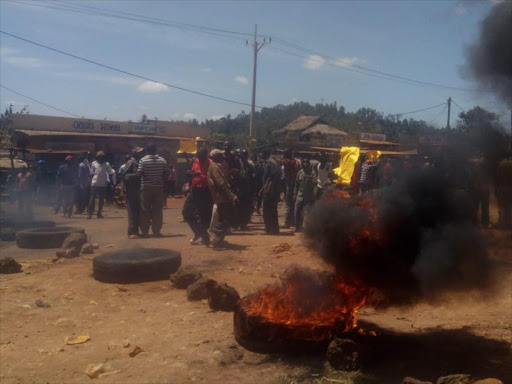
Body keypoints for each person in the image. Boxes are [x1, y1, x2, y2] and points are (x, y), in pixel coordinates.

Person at [183, 147, 213, 245]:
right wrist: (189, 175)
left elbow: (211, 178)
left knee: (205, 217)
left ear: (206, 156)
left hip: (205, 192)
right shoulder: (195, 161)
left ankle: (204, 236)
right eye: (198, 157)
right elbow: (191, 173)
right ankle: (200, 233)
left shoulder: (211, 164)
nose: (199, 159)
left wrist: (199, 175)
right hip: (195, 190)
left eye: (201, 157)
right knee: (186, 213)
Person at [208, 149, 238, 246]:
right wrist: (231, 196)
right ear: (216, 157)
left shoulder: (215, 167)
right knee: (230, 218)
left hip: (219, 196)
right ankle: (215, 231)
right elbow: (221, 184)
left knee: (222, 218)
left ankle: (218, 241)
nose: (223, 157)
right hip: (222, 197)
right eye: (220, 155)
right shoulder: (215, 167)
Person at [137, 143, 168, 237]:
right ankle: (156, 231)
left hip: (146, 186)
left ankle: (145, 232)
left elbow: (140, 173)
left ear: (147, 150)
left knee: (144, 209)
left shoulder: (143, 160)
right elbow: (166, 172)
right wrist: (161, 179)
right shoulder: (162, 160)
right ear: (156, 150)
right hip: (158, 186)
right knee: (157, 210)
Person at [121, 147, 144, 238]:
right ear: (135, 154)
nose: (142, 154)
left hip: (137, 190)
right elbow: (124, 176)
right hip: (132, 190)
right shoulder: (131, 162)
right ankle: (132, 232)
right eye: (140, 153)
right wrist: (137, 176)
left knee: (137, 211)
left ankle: (136, 231)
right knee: (132, 211)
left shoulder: (138, 162)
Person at [88, 151, 116, 219]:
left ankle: (99, 213)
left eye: (102, 157)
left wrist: (112, 183)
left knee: (101, 200)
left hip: (103, 184)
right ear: (97, 157)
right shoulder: (93, 163)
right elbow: (91, 173)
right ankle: (90, 213)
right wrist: (89, 182)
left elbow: (110, 173)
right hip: (94, 183)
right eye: (100, 157)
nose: (101, 158)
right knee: (92, 199)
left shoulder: (107, 164)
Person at [261, 148, 281, 235]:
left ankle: (269, 228)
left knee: (267, 209)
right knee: (273, 209)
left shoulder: (270, 163)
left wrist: (268, 187)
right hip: (273, 189)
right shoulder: (273, 161)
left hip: (270, 189)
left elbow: (268, 176)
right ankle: (274, 228)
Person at [294, 158, 316, 232]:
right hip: (300, 196)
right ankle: (297, 227)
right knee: (297, 212)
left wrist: (314, 194)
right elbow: (296, 184)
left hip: (309, 197)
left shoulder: (312, 173)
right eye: (304, 163)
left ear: (309, 164)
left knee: (308, 213)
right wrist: (295, 194)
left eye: (307, 163)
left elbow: (315, 183)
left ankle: (308, 229)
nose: (305, 164)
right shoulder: (299, 173)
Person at [468, 157, 491, 228]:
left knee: (481, 207)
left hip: (481, 190)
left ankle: (480, 223)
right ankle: (481, 223)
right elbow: (472, 178)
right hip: (480, 190)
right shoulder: (481, 167)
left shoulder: (482, 168)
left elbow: (471, 178)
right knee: (480, 207)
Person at [281, 148, 300, 228]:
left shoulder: (287, 162)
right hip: (296, 184)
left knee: (288, 204)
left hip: (290, 184)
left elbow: (279, 162)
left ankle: (287, 223)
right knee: (294, 203)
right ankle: (293, 222)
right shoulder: (296, 161)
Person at [238, 149, 256, 230]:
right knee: (239, 206)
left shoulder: (250, 165)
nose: (243, 157)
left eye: (245, 155)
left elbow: (253, 177)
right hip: (239, 188)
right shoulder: (237, 164)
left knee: (246, 207)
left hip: (247, 189)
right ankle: (238, 223)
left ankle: (244, 224)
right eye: (242, 155)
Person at [495, 157, 512, 229]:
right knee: (508, 206)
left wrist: (496, 188)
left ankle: (501, 224)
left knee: (501, 206)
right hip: (510, 188)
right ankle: (509, 223)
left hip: (502, 188)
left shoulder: (501, 164)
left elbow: (497, 177)